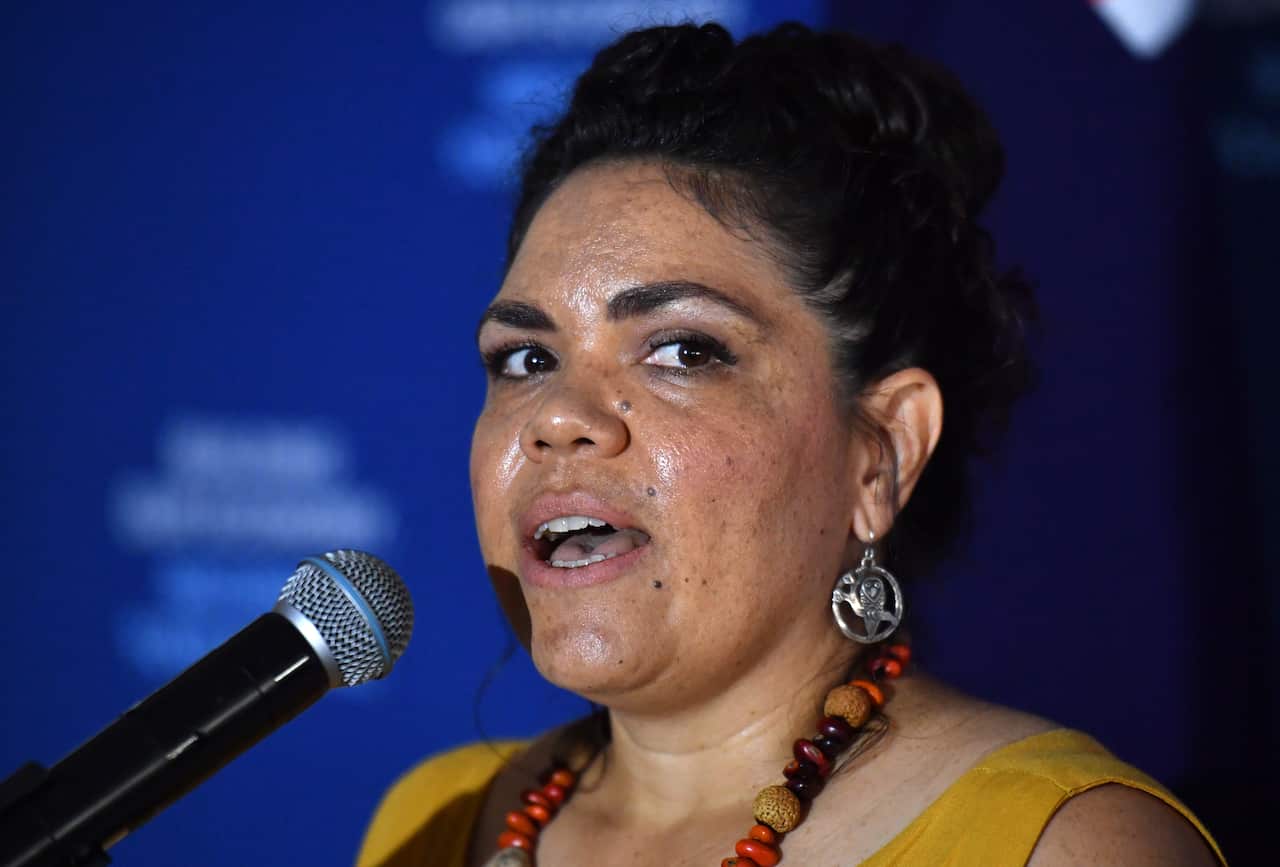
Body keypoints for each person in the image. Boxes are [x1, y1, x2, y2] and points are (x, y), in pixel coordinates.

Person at [357, 21, 1226, 867]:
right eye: (526, 357)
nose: (556, 414)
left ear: (880, 452)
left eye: (683, 349)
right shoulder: (436, 819)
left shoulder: (1071, 847)